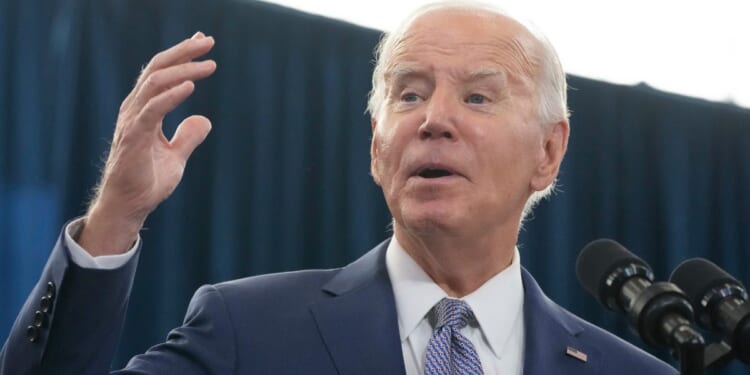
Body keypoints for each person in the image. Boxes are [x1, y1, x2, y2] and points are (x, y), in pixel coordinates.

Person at [1, 2, 678, 374]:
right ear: (377, 145)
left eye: (476, 97)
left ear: (549, 151)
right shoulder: (247, 331)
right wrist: (114, 217)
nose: (434, 118)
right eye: (408, 94)